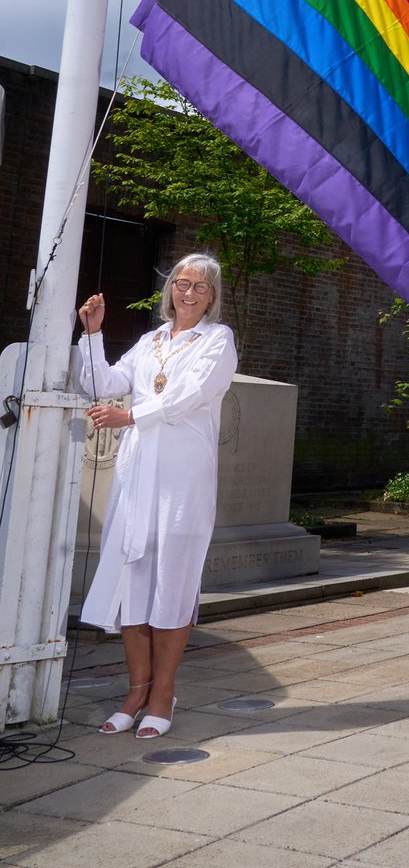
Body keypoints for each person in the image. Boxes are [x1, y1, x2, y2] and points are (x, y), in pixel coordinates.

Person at [77, 253, 238, 738]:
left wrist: (132, 417)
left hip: (183, 480)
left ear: (212, 297)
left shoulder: (217, 340)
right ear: (170, 290)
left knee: (172, 579)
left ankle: (163, 691)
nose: (187, 293)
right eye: (181, 284)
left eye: (199, 287)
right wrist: (92, 333)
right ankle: (136, 690)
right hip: (137, 475)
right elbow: (100, 383)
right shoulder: (149, 342)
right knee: (132, 580)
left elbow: (190, 394)